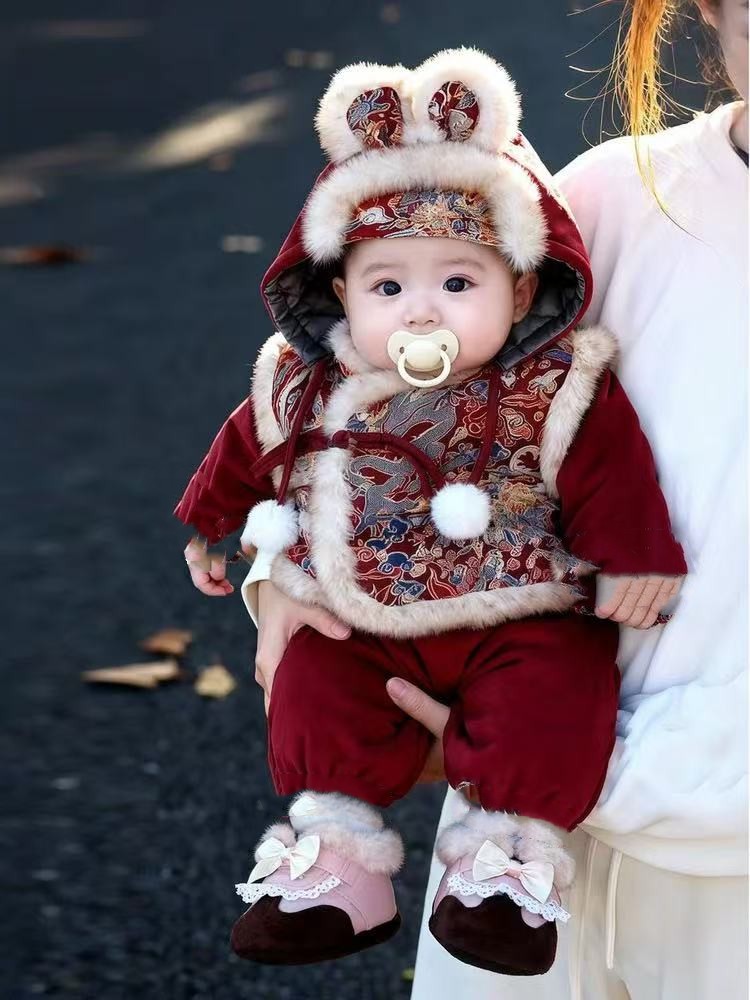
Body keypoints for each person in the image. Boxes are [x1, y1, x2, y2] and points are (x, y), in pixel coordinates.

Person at [174, 47, 687, 975]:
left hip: (518, 607)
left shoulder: (557, 382)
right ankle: (335, 852)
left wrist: (633, 555)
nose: (422, 313)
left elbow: (615, 472)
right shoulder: (306, 378)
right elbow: (255, 445)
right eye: (386, 286)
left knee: (554, 691)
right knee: (314, 681)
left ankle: (503, 859)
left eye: (459, 283)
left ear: (523, 288)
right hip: (357, 605)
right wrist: (219, 519)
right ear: (338, 290)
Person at [391, 2, 748, 998]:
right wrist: (291, 582)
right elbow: (394, 391)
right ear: (712, 15)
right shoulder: (615, 200)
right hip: (540, 826)